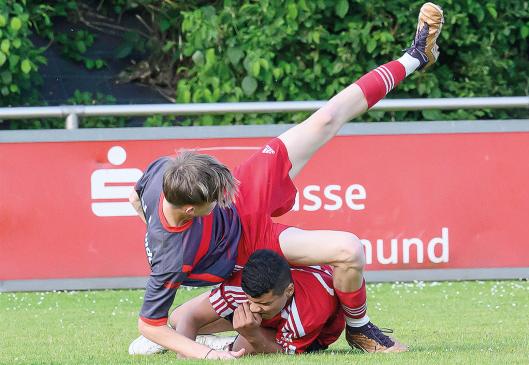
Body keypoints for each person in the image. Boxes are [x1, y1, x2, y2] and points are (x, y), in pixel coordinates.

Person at [129, 2, 444, 359]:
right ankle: (360, 329)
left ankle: (416, 54)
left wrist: (150, 218)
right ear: (189, 210)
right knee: (349, 249)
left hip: (247, 195)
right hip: (244, 247)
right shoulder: (172, 256)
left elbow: (135, 196)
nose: (222, 201)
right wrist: (205, 356)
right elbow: (147, 322)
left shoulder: (163, 173)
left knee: (325, 119)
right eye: (214, 202)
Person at [131, 249, 345, 356]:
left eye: (263, 304)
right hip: (278, 310)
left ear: (288, 291)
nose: (253, 308)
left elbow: (281, 351)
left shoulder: (309, 313)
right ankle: (183, 339)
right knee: (179, 318)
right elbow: (191, 317)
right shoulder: (243, 285)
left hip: (315, 332)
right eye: (251, 300)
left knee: (245, 346)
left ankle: (222, 345)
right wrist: (186, 353)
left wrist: (252, 335)